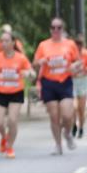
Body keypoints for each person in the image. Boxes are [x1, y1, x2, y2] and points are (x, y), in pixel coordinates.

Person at [32, 17, 80, 154]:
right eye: (53, 27)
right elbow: (34, 63)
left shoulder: (70, 44)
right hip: (48, 82)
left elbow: (78, 61)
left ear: (62, 29)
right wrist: (40, 62)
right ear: (50, 29)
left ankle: (68, 133)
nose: (56, 30)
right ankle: (58, 145)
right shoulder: (43, 45)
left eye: (59, 27)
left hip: (65, 81)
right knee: (54, 116)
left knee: (67, 115)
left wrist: (73, 66)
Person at [0, 31, 34, 159]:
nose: (4, 43)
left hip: (16, 92)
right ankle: (4, 136)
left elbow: (32, 73)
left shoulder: (21, 58)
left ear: (13, 43)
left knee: (12, 120)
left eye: (7, 41)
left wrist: (28, 74)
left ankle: (10, 146)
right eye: (2, 41)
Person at [72, 35, 87, 138]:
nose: (79, 47)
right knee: (74, 107)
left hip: (84, 81)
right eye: (77, 44)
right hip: (73, 81)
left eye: (81, 44)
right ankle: (74, 125)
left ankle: (81, 128)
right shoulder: (70, 55)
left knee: (81, 109)